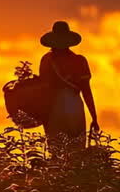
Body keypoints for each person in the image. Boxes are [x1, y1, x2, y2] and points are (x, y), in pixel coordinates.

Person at [38, 20, 98, 153]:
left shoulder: (46, 60)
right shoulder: (79, 61)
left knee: (56, 152)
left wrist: (43, 116)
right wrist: (94, 117)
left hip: (54, 107)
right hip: (75, 106)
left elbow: (43, 90)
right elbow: (86, 91)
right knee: (76, 151)